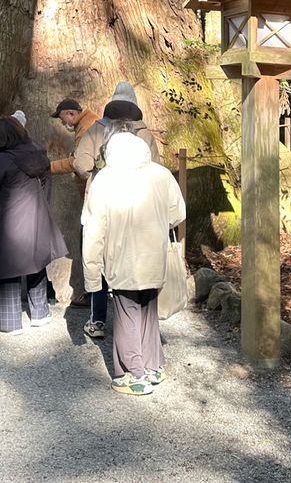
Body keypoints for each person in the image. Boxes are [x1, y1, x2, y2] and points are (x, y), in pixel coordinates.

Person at [82, 131, 185, 396]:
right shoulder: (161, 175)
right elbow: (178, 213)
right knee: (148, 310)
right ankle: (153, 365)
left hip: (122, 259)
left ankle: (131, 373)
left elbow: (93, 230)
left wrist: (92, 275)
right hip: (154, 257)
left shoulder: (104, 179)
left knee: (127, 313)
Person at [73, 81, 161, 338]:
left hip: (101, 202)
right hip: (138, 205)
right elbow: (157, 167)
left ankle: (98, 320)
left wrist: (94, 174)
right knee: (132, 258)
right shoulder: (145, 134)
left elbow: (80, 164)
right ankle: (133, 324)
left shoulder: (96, 130)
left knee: (96, 255)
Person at [0, 117, 66, 334]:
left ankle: (11, 322)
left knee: (8, 268)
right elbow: (47, 181)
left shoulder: (3, 159)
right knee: (36, 263)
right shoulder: (37, 153)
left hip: (10, 218)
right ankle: (40, 314)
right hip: (37, 215)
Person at [50, 97, 100, 309]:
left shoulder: (86, 128)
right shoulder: (91, 123)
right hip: (94, 193)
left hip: (95, 195)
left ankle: (94, 295)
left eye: (63, 120)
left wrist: (50, 167)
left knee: (90, 245)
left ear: (72, 114)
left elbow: (78, 162)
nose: (64, 124)